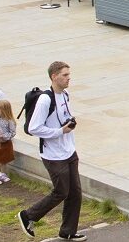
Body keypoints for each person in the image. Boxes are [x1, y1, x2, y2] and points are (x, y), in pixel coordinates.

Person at [19, 60, 81, 242]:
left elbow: (62, 117)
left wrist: (69, 123)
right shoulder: (46, 99)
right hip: (53, 155)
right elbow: (33, 128)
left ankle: (68, 231)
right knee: (61, 192)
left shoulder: (65, 95)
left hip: (69, 150)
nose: (69, 78)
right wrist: (60, 131)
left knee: (75, 193)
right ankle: (28, 215)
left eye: (69, 74)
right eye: (65, 75)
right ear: (54, 77)